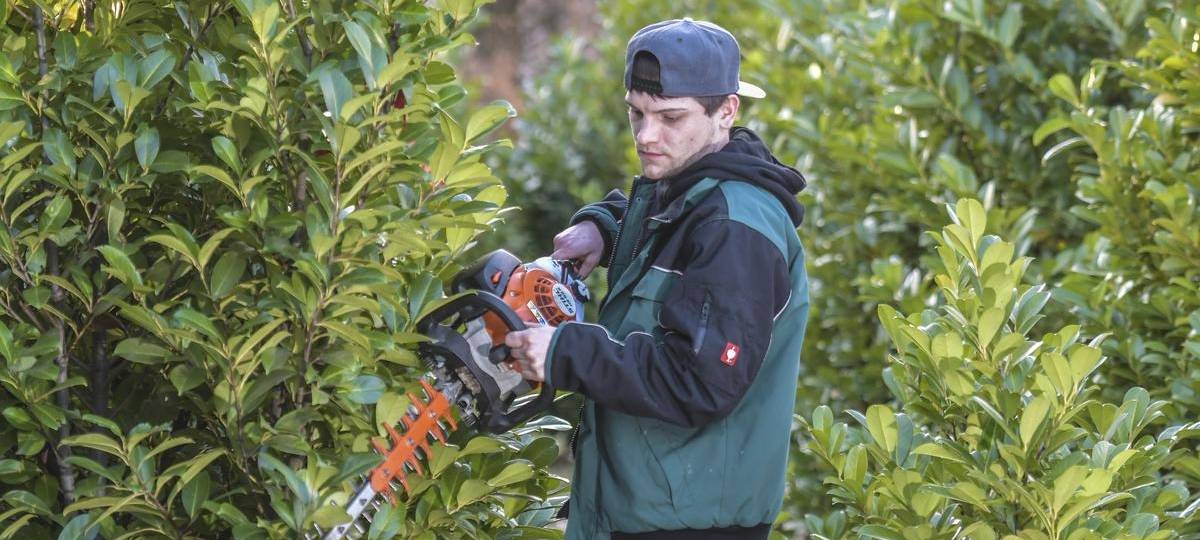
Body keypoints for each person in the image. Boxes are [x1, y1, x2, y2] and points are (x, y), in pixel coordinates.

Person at [505, 17, 810, 540]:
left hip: (688, 524)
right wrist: (605, 228)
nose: (647, 136)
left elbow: (698, 381)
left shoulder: (738, 228)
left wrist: (564, 352)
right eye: (636, 113)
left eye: (670, 117)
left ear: (726, 111)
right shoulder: (690, 185)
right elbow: (672, 228)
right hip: (638, 508)